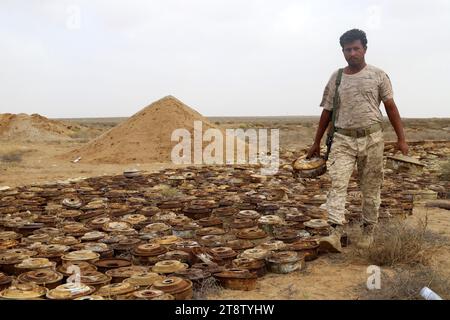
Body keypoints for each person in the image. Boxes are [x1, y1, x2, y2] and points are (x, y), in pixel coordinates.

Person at [306, 29, 408, 251]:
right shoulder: (337, 78)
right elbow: (327, 112)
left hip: (372, 139)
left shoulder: (379, 75)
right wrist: (316, 142)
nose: (352, 53)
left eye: (356, 48)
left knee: (370, 187)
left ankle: (368, 231)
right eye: (347, 50)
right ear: (342, 52)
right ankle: (334, 233)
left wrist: (401, 139)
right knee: (337, 184)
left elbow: (391, 107)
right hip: (342, 139)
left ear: (365, 49)